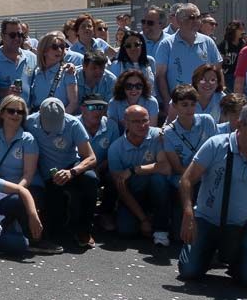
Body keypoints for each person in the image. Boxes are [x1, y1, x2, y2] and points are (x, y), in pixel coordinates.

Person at [177, 103, 247, 288]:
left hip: (245, 226)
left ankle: (235, 259)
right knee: (189, 271)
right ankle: (206, 253)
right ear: (239, 124)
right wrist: (188, 214)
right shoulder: (215, 145)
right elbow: (186, 180)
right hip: (207, 220)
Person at [25, 97, 99, 248]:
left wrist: (72, 172)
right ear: (39, 114)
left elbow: (91, 157)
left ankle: (84, 228)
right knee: (55, 225)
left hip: (71, 167)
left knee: (91, 179)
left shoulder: (73, 124)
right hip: (47, 174)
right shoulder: (29, 122)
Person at [107, 105, 174, 245]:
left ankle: (161, 227)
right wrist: (143, 219)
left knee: (159, 179)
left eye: (145, 120)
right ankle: (145, 219)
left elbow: (165, 167)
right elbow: (122, 189)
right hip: (134, 196)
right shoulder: (115, 148)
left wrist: (133, 170)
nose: (142, 125)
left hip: (156, 193)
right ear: (126, 123)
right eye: (136, 121)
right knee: (126, 231)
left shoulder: (157, 136)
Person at [155, 3, 222, 119]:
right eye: (191, 18)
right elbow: (160, 76)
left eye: (198, 17)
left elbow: (217, 72)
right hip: (180, 105)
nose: (196, 21)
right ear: (179, 21)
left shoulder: (208, 42)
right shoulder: (167, 44)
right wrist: (167, 102)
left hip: (207, 105)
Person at [161, 84, 218, 186]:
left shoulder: (207, 120)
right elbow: (177, 167)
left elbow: (217, 151)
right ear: (174, 105)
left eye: (193, 104)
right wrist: (200, 176)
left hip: (210, 173)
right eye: (184, 105)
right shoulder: (168, 133)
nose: (190, 109)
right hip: (185, 174)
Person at [78, 94, 120, 230]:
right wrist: (88, 169)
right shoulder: (73, 124)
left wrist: (99, 169)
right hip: (80, 167)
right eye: (92, 107)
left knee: (115, 177)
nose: (97, 111)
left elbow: (113, 154)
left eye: (101, 107)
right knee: (89, 178)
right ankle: (84, 218)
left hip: (104, 166)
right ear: (82, 108)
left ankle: (105, 213)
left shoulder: (111, 125)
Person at [0, 95, 39, 190]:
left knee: (12, 202)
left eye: (20, 112)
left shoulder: (28, 140)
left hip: (26, 188)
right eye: (11, 111)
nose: (16, 114)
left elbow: (28, 175)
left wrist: (16, 190)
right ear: (2, 114)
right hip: (0, 187)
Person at [21, 31, 77, 111]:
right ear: (44, 51)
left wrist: (60, 119)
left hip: (59, 118)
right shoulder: (36, 73)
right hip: (38, 118)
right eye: (55, 47)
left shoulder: (68, 71)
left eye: (62, 47)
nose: (59, 50)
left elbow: (73, 103)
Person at [0, 18, 35, 96]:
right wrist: (6, 92)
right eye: (12, 35)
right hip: (2, 108)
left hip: (27, 108)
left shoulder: (32, 58)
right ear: (2, 36)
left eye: (20, 35)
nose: (17, 38)